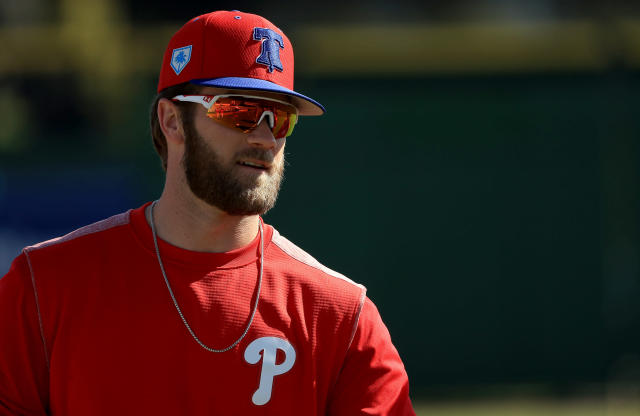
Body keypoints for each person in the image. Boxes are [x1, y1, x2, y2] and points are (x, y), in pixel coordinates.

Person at [0, 10, 415, 416]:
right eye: (240, 111)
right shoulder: (43, 286)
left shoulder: (340, 315)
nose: (265, 138)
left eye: (281, 118)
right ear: (172, 120)